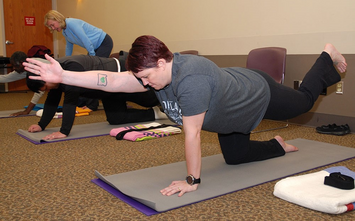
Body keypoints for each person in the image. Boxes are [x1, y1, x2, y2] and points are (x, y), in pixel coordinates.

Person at [24, 35, 347, 197]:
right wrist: (64, 76)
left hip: (254, 93)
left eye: (148, 76)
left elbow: (192, 134)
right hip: (228, 112)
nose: (145, 83)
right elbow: (111, 81)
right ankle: (278, 145)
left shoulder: (192, 81)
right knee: (235, 158)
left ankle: (326, 55)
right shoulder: (155, 71)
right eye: (142, 77)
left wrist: (193, 180)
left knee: (304, 102)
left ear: (163, 63)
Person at [26, 52, 165, 141]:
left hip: (122, 74)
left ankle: (170, 103)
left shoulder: (70, 67)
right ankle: (156, 113)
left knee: (151, 99)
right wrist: (41, 125)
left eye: (45, 87)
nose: (47, 90)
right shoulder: (55, 79)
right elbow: (52, 100)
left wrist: (64, 132)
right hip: (107, 91)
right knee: (116, 119)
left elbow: (70, 102)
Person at [44, 9, 114, 110]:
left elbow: (85, 39)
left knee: (95, 72)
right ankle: (82, 102)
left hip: (104, 42)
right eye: (50, 27)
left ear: (57, 19)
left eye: (52, 25)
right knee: (87, 72)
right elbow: (69, 47)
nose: (52, 28)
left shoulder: (71, 23)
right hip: (94, 47)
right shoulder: (65, 32)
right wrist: (65, 62)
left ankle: (92, 105)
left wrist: (93, 57)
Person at [0, 51, 46, 116]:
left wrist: (27, 111)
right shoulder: (23, 69)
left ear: (22, 63)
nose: (14, 68)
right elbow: (6, 78)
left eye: (15, 65)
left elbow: (40, 90)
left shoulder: (35, 66)